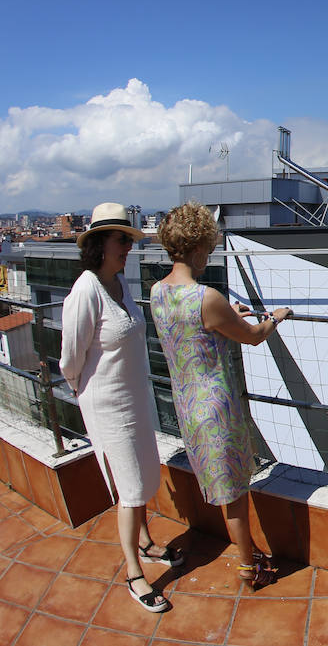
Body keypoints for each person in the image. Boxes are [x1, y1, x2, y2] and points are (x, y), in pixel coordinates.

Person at [150, 203, 292, 588]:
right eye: (209, 246)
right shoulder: (206, 297)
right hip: (217, 406)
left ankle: (248, 558)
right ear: (198, 247)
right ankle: (249, 569)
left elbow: (192, 329)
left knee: (225, 487)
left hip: (187, 404)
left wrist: (229, 313)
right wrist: (275, 318)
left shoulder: (157, 293)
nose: (210, 253)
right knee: (235, 495)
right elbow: (253, 338)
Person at [61, 202, 183, 613]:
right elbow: (70, 360)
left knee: (144, 474)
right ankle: (134, 573)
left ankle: (145, 543)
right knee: (130, 490)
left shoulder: (119, 283)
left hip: (134, 399)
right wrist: (89, 395)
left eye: (129, 240)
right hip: (107, 405)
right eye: (121, 240)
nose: (127, 248)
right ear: (99, 243)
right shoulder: (86, 290)